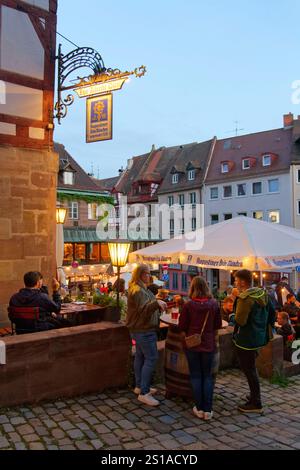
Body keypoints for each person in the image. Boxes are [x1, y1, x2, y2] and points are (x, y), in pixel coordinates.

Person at [178, 276, 222, 421]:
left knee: (196, 376)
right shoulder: (214, 304)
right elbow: (217, 325)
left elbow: (182, 326)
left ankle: (199, 407)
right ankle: (208, 410)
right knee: (207, 376)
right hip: (208, 344)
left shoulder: (188, 306)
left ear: (192, 288)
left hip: (192, 345)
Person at [233, 269, 276, 413]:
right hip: (259, 338)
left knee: (249, 370)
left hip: (246, 340)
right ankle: (253, 396)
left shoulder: (245, 298)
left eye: (236, 280)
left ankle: (256, 402)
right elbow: (272, 315)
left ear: (243, 282)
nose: (235, 283)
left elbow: (240, 321)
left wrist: (233, 314)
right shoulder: (263, 294)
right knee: (251, 368)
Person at [126, 264, 167, 407]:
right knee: (151, 357)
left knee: (140, 356)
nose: (150, 276)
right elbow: (144, 310)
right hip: (143, 330)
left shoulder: (139, 288)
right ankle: (144, 393)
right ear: (141, 274)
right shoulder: (138, 290)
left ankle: (139, 386)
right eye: (148, 273)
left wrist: (157, 304)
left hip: (139, 329)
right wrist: (157, 303)